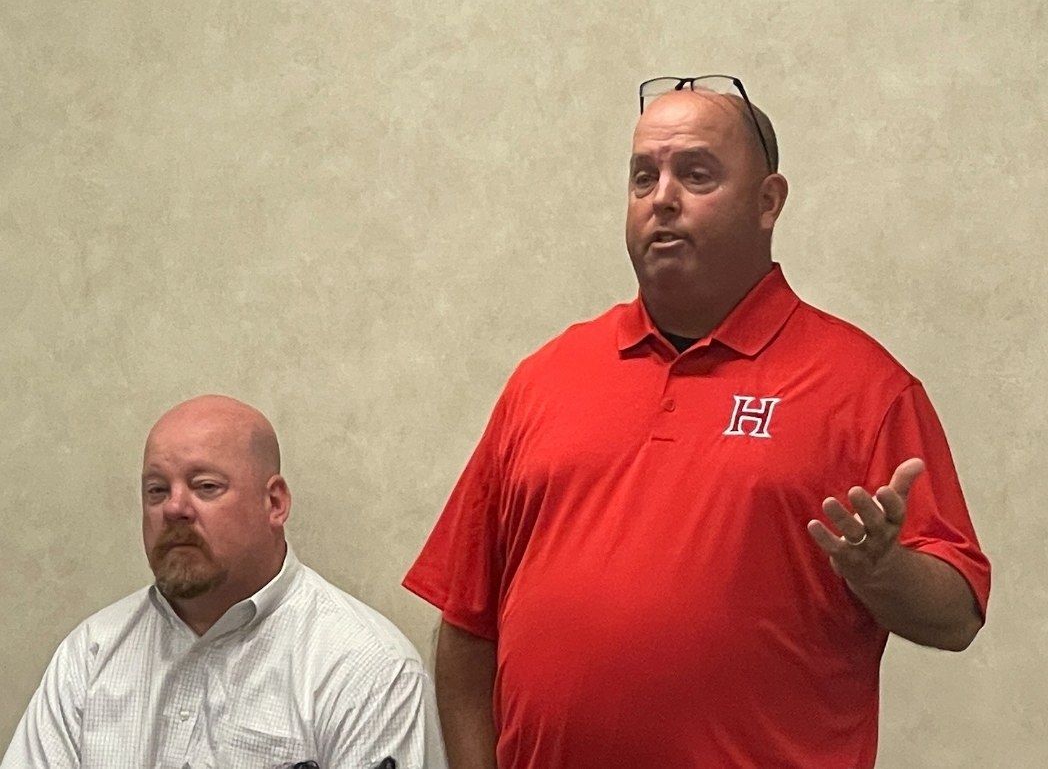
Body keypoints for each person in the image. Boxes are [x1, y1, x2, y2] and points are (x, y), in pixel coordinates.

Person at [402, 76, 991, 769]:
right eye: (643, 176)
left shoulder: (865, 389)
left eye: (696, 174)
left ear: (768, 201)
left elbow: (957, 617)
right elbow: (468, 625)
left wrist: (880, 568)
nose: (663, 198)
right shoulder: (545, 377)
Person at [2, 395, 446, 769]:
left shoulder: (367, 672)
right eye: (157, 490)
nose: (174, 508)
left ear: (274, 502)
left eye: (206, 486)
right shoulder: (90, 657)